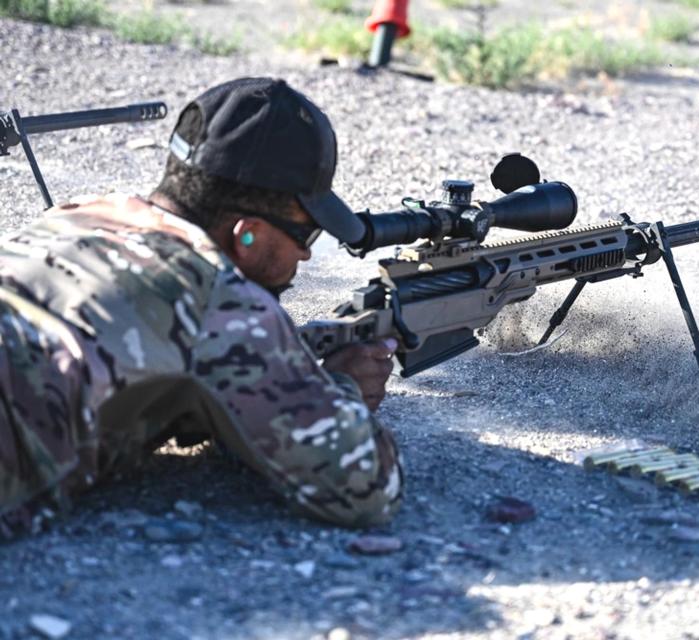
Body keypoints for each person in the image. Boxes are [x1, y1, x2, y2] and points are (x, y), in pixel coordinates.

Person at [0, 77, 403, 539]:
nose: (307, 255)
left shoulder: (79, 212)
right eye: (306, 234)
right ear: (245, 234)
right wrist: (343, 386)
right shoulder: (218, 295)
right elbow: (365, 486)